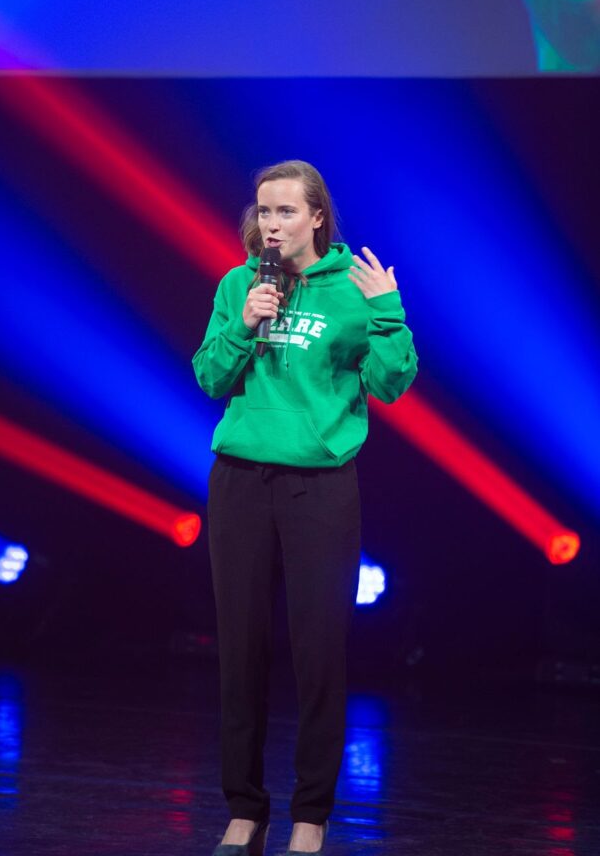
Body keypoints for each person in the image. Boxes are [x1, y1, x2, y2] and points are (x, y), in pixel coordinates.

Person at [192, 160, 418, 855]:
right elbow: (210, 376)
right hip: (240, 482)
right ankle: (243, 808)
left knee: (318, 652)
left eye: (286, 212)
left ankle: (311, 814)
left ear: (317, 217)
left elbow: (390, 385)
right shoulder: (240, 285)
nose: (271, 225)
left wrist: (388, 312)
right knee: (241, 650)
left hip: (318, 488)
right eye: (264, 212)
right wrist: (243, 326)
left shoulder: (353, 292)